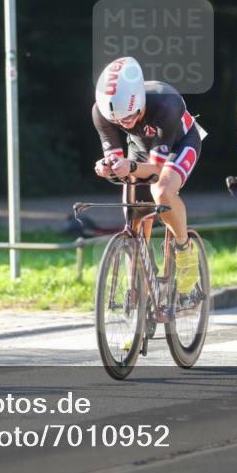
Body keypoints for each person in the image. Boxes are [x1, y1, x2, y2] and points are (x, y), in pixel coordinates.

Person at [91, 57, 206, 313]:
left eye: (130, 117)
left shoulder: (166, 102)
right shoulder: (102, 112)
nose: (125, 123)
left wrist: (130, 167)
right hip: (140, 149)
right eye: (118, 121)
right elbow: (116, 158)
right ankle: (137, 288)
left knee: (161, 191)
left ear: (139, 100)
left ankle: (184, 251)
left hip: (179, 145)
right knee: (133, 216)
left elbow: (156, 170)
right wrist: (108, 167)